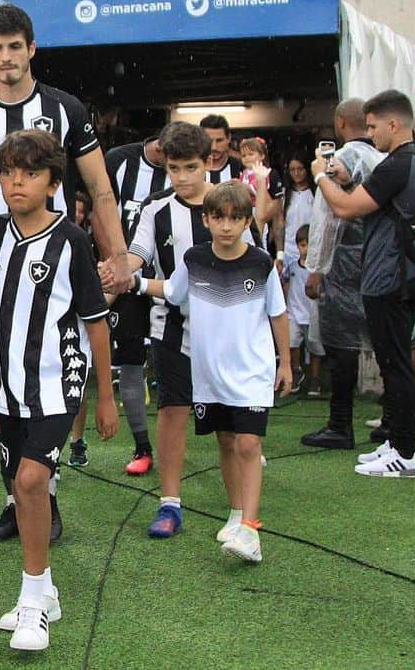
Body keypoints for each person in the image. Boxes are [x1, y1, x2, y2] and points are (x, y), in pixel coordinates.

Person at [0, 3, 131, 545]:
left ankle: (43, 497)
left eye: (16, 47)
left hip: (50, 269)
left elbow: (99, 187)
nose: (6, 58)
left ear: (32, 49)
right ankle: (17, 499)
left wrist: (119, 254)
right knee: (0, 392)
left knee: (47, 378)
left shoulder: (64, 107)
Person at [0, 130, 117, 651]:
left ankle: (33, 603)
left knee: (33, 481)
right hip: (7, 384)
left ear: (54, 183)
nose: (17, 181)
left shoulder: (71, 240)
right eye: (9, 172)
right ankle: (46, 589)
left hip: (60, 381)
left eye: (31, 173)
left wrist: (105, 396)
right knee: (18, 487)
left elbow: (96, 321)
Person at [135, 180, 290, 563]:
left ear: (246, 222)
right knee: (225, 440)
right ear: (206, 220)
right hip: (210, 375)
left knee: (248, 443)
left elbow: (277, 312)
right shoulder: (194, 259)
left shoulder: (260, 262)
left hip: (251, 371)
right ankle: (237, 513)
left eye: (235, 218)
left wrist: (285, 362)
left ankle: (251, 531)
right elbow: (172, 291)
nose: (226, 225)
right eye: (218, 217)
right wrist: (132, 282)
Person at [119, 122, 253, 538]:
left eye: (190, 167)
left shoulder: (230, 203)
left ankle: (238, 515)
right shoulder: (155, 208)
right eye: (174, 168)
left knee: (228, 429)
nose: (182, 177)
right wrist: (117, 272)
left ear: (209, 162)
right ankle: (170, 504)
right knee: (173, 413)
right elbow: (136, 256)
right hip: (171, 329)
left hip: (225, 334)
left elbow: (256, 262)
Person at [311, 90, 415, 478]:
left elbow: (343, 209)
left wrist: (320, 175)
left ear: (394, 125)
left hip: (388, 275)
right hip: (404, 272)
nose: (369, 133)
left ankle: (405, 453)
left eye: (374, 126)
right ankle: (396, 442)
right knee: (396, 360)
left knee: (394, 364)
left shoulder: (399, 163)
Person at [301, 98, 383, 450]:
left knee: (342, 344)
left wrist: (316, 268)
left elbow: (330, 215)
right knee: (388, 344)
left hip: (346, 262)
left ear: (339, 121)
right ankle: (394, 420)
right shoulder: (385, 157)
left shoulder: (347, 156)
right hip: (379, 259)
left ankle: (340, 424)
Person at [97, 127, 175, 474]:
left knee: (180, 365)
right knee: (130, 362)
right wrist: (114, 270)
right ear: (156, 144)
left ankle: (231, 437)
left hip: (171, 284)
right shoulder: (118, 161)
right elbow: (99, 209)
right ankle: (143, 447)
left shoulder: (187, 183)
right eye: (170, 158)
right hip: (129, 280)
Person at [281, 225, 324, 394]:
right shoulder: (292, 266)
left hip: (313, 314)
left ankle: (314, 379)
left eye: (309, 245)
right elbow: (283, 281)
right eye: (302, 245)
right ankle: (297, 371)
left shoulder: (319, 269)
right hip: (293, 313)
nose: (305, 249)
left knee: (315, 348)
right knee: (291, 344)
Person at [199, 114, 244, 184]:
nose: (214, 147)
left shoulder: (241, 167)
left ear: (228, 138)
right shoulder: (193, 169)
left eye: (219, 140)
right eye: (209, 141)